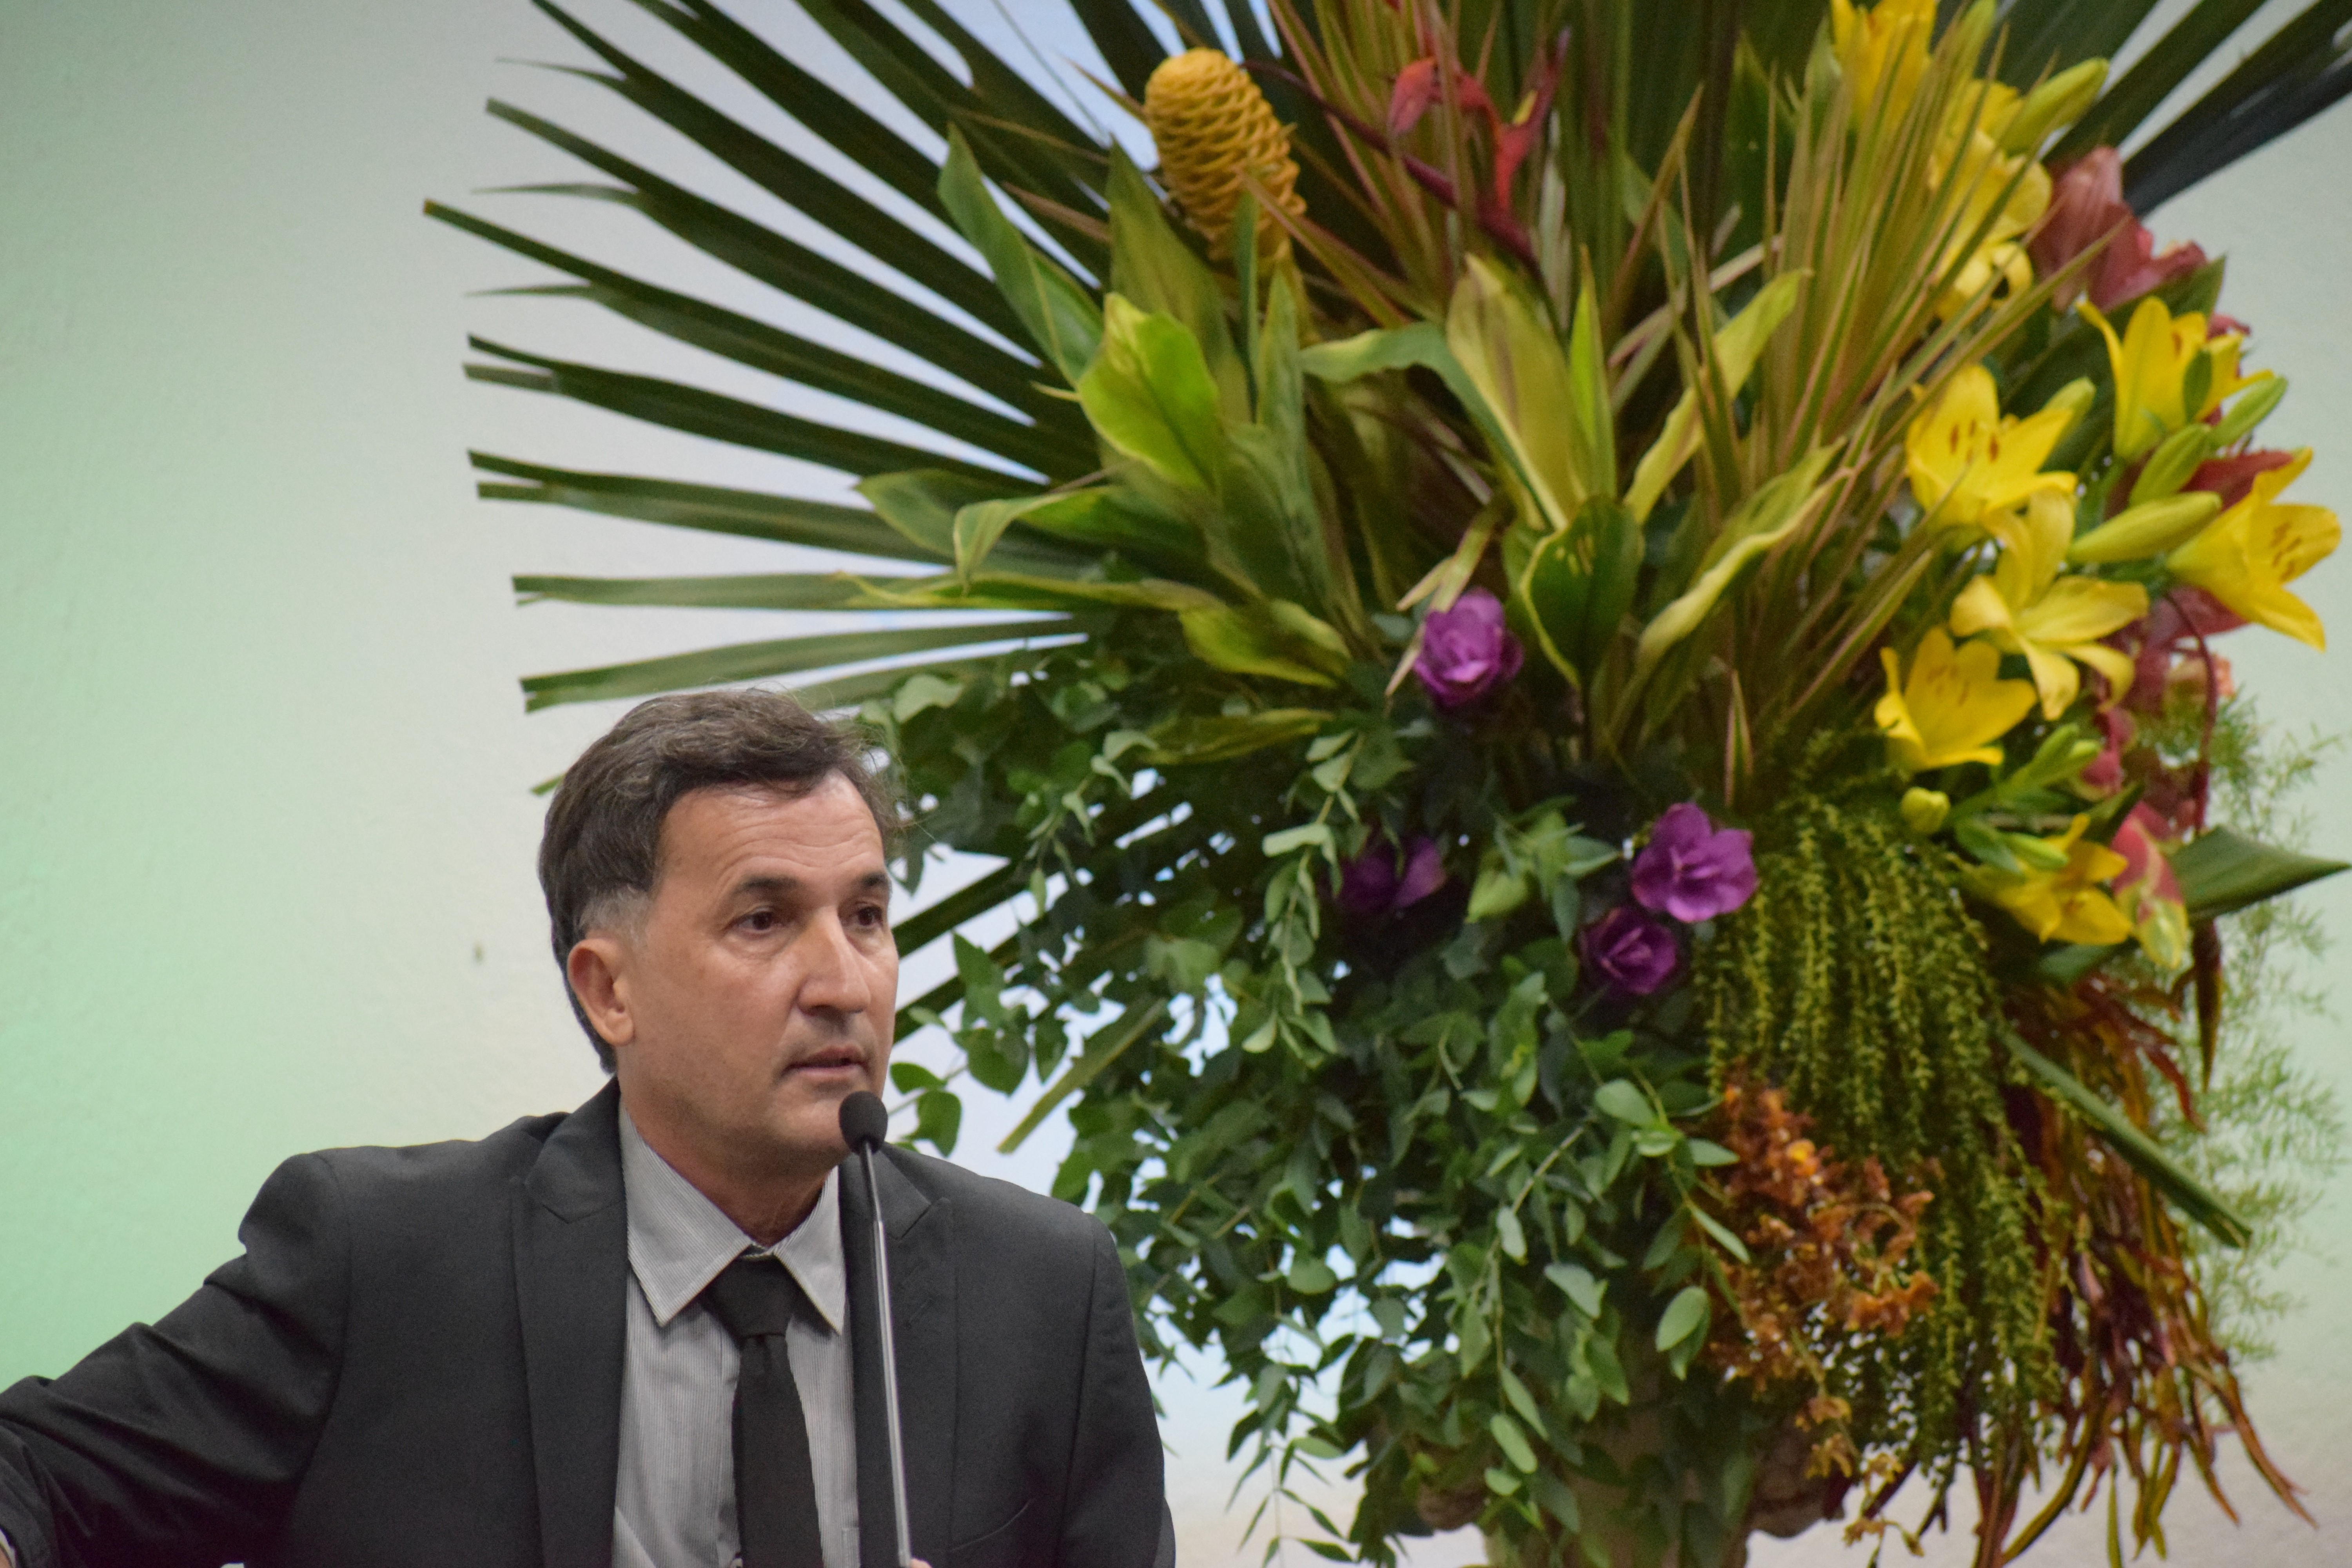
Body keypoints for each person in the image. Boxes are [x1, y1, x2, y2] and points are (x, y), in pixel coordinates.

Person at [0, 690, 1169, 1568]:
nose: (845, 983)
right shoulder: (385, 1267)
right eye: (764, 921)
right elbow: (40, 1476)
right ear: (611, 991)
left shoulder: (1041, 1295)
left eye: (866, 916)